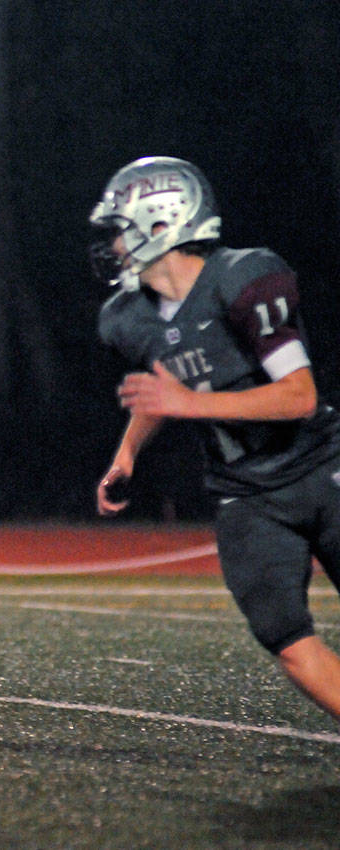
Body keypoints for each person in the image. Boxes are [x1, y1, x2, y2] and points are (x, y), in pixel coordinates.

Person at [92, 155, 340, 724]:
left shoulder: (242, 277)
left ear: (163, 224)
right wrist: (127, 453)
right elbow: (167, 386)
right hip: (244, 492)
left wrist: (189, 404)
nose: (113, 247)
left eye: (120, 231)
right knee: (283, 634)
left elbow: (298, 396)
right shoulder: (128, 317)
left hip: (318, 464)